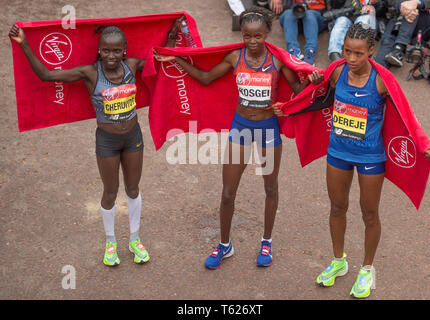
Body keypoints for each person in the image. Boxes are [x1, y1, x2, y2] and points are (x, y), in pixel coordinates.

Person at [155, 6, 322, 269]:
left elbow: (299, 91)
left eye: (258, 36)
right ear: (242, 34)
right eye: (247, 36)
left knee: (270, 187)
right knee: (227, 193)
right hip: (241, 128)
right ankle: (224, 245)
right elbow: (207, 78)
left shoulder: (277, 61)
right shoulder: (236, 57)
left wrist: (312, 81)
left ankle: (266, 241)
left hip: (268, 130)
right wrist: (178, 59)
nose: (253, 42)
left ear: (267, 33)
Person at [9, 17, 183, 267]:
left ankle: (135, 239)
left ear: (124, 51)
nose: (110, 56)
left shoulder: (133, 66)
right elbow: (47, 75)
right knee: (110, 193)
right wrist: (24, 43)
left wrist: (172, 36)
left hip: (133, 137)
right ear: (98, 50)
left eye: (116, 50)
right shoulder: (90, 73)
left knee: (133, 190)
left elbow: (163, 64)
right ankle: (110, 243)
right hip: (107, 141)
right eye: (105, 50)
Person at [313, 23, 430, 298]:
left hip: (371, 156)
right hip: (338, 153)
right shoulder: (335, 72)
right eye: (347, 51)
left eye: (358, 53)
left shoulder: (381, 80)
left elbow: (406, 113)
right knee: (337, 207)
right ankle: (338, 261)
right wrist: (307, 82)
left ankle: (367, 269)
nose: (352, 59)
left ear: (372, 51)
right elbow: (314, 91)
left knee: (369, 213)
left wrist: (424, 144)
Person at [375, 0, 430, 68]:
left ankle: (399, 48)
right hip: (399, 16)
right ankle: (377, 69)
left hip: (424, 21)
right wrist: (401, 5)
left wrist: (417, 2)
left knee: (413, 8)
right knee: (388, 39)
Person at [270, 0, 327, 65]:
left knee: (309, 15)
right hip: (294, 15)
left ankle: (310, 52)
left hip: (317, 17)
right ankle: (294, 52)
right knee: (289, 14)